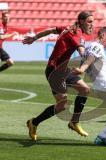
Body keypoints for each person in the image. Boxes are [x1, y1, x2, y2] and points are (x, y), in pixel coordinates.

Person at [22, 11, 94, 141]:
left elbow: (50, 30)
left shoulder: (68, 27)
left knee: (85, 89)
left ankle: (74, 122)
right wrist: (89, 58)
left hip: (64, 69)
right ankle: (34, 122)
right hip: (54, 71)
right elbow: (81, 50)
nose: (92, 24)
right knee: (63, 106)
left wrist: (34, 38)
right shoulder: (76, 33)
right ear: (82, 21)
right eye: (89, 21)